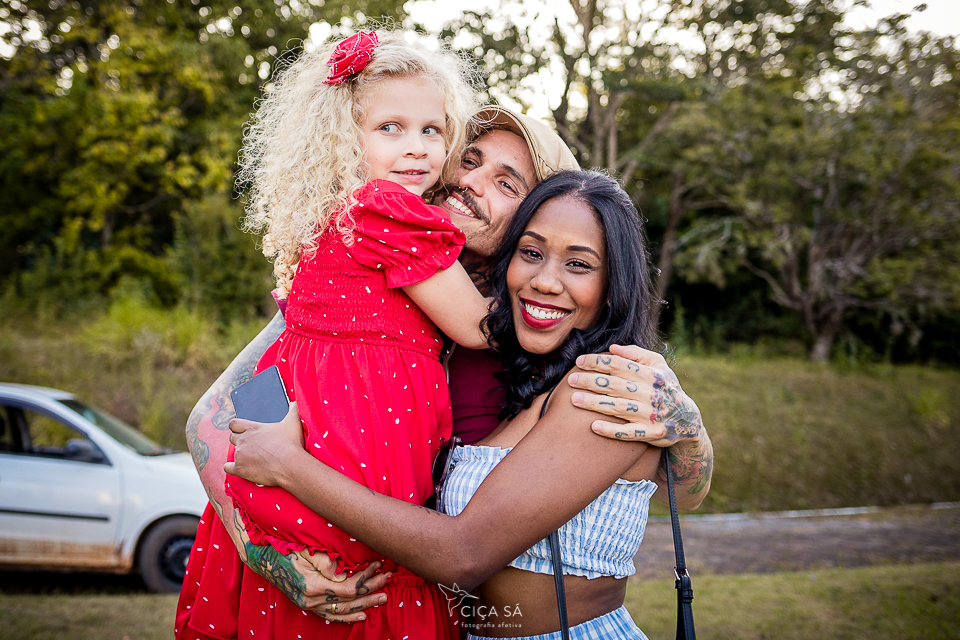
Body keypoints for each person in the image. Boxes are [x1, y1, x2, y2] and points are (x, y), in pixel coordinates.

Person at [180, 107, 712, 630]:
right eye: (469, 160)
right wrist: (263, 550)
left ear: (539, 213)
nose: (469, 182)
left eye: (506, 183)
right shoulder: (367, 278)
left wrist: (689, 432)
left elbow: (671, 490)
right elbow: (222, 414)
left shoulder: (549, 337)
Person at [177, 29, 504, 640]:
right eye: (390, 128)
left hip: (311, 460)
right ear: (343, 138)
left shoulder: (336, 223)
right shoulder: (387, 209)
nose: (417, 148)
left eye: (432, 130)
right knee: (374, 587)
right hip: (355, 453)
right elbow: (477, 327)